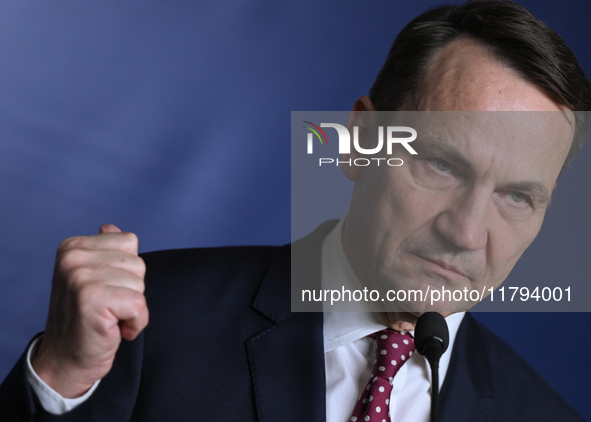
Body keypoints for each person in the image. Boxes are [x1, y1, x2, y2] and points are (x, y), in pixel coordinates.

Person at [1, 1, 589, 421]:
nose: (465, 232)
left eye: (517, 197)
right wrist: (59, 382)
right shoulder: (151, 323)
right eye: (441, 165)